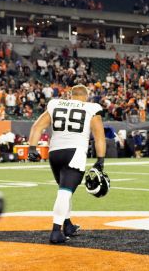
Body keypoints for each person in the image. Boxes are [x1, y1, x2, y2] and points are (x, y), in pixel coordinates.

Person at [27, 84, 106, 244]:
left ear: (70, 95)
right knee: (65, 192)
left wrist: (32, 148)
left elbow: (37, 127)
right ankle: (56, 231)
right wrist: (100, 160)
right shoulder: (91, 108)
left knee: (65, 189)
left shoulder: (56, 104)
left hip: (55, 153)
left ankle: (67, 224)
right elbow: (99, 137)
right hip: (75, 153)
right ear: (87, 95)